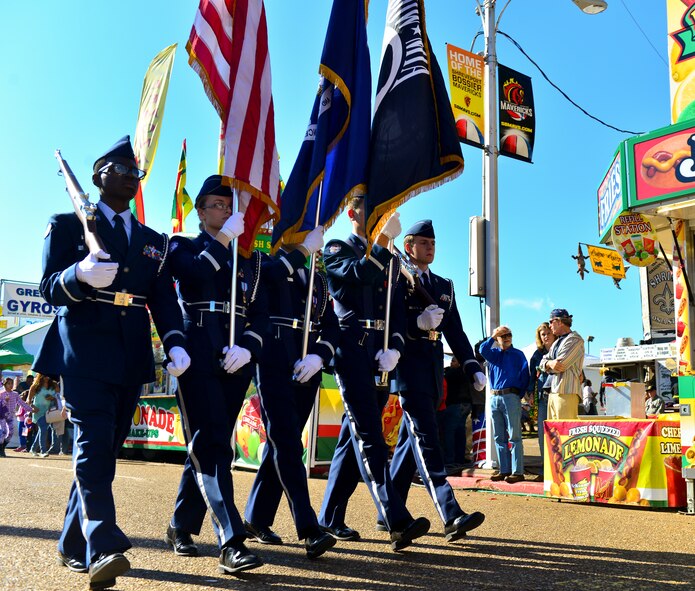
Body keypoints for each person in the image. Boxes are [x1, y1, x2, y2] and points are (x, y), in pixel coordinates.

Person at [33, 136, 191, 591]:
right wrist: (78, 276)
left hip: (130, 352)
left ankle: (70, 543)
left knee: (104, 450)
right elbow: (48, 287)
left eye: (134, 171)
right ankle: (103, 544)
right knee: (94, 446)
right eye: (118, 168)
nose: (127, 175)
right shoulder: (67, 225)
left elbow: (162, 299)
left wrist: (176, 342)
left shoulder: (152, 242)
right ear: (99, 175)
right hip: (82, 348)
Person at [164, 175, 266, 574]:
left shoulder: (248, 259)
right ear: (200, 211)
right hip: (196, 352)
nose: (225, 211)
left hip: (234, 357)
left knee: (210, 442)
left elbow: (259, 313)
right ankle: (231, 540)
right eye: (216, 205)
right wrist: (223, 240)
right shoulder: (182, 244)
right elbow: (192, 276)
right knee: (214, 447)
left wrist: (249, 347)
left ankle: (179, 525)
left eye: (228, 206)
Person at [318, 197, 430, 552]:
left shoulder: (391, 259)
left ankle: (330, 517)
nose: (379, 218)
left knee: (352, 440)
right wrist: (382, 244)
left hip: (379, 353)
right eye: (371, 211)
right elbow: (356, 276)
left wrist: (395, 345)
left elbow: (397, 308)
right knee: (370, 436)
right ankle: (396, 519)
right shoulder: (337, 247)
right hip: (350, 348)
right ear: (352, 213)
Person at [385, 220, 486, 541]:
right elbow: (392, 319)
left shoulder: (443, 285)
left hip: (431, 368)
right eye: (423, 242)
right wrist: (416, 322)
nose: (430, 247)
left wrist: (471, 365)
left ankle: (388, 511)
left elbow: (455, 329)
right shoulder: (398, 277)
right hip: (408, 366)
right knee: (428, 440)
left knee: (407, 445)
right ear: (409, 245)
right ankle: (450, 513)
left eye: (433, 243)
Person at [243, 226, 338, 559]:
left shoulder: (318, 279)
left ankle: (255, 517)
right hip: (272, 361)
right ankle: (309, 529)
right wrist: (300, 252)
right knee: (286, 441)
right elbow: (263, 281)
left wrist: (320, 355)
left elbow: (332, 325)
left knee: (281, 443)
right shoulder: (264, 265)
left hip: (306, 365)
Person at [479, 326, 529, 483]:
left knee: (514, 436)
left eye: (509, 335)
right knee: (499, 436)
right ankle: (504, 469)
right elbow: (482, 349)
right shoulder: (493, 354)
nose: (507, 337)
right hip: (494, 397)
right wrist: (493, 336)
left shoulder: (519, 354)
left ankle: (517, 471)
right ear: (497, 338)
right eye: (503, 335)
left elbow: (525, 377)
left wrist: (516, 395)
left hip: (511, 396)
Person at [538, 309, 585, 420]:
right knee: (554, 434)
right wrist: (549, 363)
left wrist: (547, 365)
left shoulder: (575, 340)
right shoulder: (557, 342)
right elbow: (542, 363)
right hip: (554, 392)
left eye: (551, 322)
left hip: (567, 392)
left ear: (559, 321)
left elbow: (560, 366)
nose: (549, 326)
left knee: (565, 433)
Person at [527, 322, 555, 470]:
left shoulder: (561, 350)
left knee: (557, 432)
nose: (546, 337)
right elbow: (532, 376)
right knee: (542, 433)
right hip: (542, 396)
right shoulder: (537, 355)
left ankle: (558, 469)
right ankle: (545, 469)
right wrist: (530, 394)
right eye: (542, 334)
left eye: (548, 333)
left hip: (558, 395)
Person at [440, 357, 474, 473]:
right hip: (466, 404)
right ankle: (459, 459)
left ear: (459, 362)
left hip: (454, 404)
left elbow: (444, 379)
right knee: (460, 432)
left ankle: (449, 460)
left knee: (449, 433)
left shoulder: (452, 373)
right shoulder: (466, 372)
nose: (451, 362)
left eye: (454, 360)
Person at [0, 377, 34, 455]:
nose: (11, 385)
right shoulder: (1, 394)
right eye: (9, 383)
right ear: (5, 384)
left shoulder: (15, 394)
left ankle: (3, 446)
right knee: (3, 431)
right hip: (2, 416)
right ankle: (1, 450)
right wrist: (5, 400)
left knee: (10, 433)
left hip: (10, 416)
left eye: (12, 383)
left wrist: (31, 409)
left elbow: (22, 403)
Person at [27, 374, 58, 457]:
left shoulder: (54, 385)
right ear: (41, 376)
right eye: (45, 375)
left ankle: (33, 449)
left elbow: (59, 397)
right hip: (38, 412)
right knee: (44, 429)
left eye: (48, 375)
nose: (47, 377)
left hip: (49, 412)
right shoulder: (35, 386)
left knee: (42, 430)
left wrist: (53, 398)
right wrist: (33, 407)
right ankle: (43, 451)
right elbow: (28, 401)